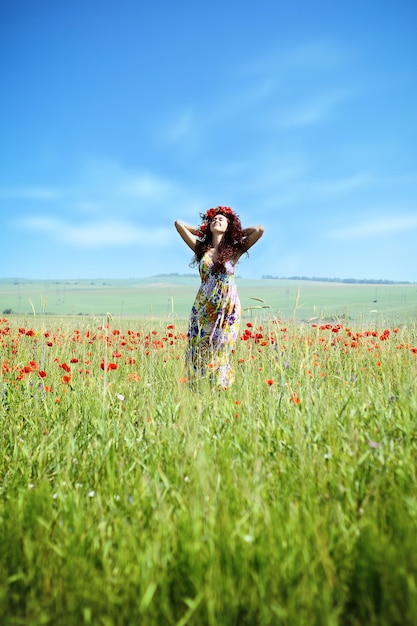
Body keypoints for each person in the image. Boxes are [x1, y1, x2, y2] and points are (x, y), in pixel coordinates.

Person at [174, 205, 264, 388]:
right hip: (203, 308)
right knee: (199, 347)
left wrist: (235, 233)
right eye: (214, 219)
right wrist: (202, 230)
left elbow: (259, 230)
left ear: (228, 226)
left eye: (221, 219)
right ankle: (197, 388)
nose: (216, 220)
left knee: (222, 346)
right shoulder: (201, 249)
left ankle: (220, 387)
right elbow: (178, 224)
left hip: (227, 308)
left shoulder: (234, 251)